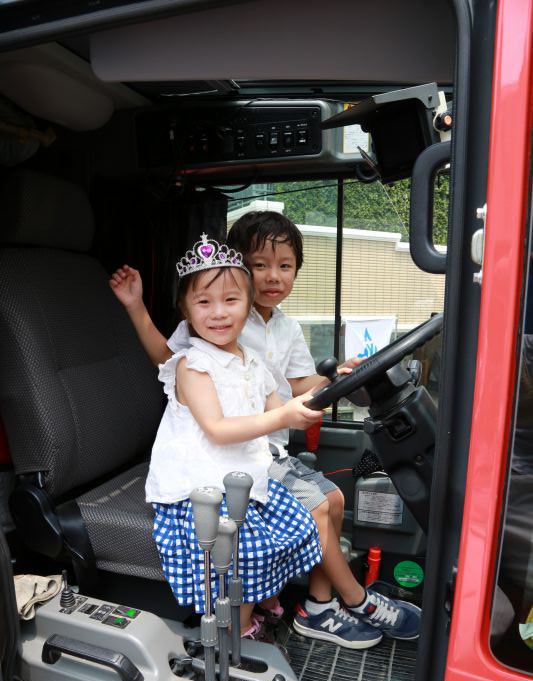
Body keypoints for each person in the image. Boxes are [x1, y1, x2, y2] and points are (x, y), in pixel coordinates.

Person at [112, 213, 421, 646]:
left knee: (332, 498)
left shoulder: (273, 338)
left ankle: (316, 603)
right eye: (260, 265)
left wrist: (337, 382)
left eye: (285, 265)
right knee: (308, 512)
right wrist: (136, 308)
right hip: (221, 461)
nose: (272, 277)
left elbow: (290, 391)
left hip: (260, 451)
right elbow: (184, 378)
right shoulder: (201, 350)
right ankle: (347, 601)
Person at [145, 234, 323, 640]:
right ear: (186, 312)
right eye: (204, 303)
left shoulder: (251, 359)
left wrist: (319, 397)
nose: (219, 313)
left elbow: (277, 407)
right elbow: (219, 430)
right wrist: (284, 413)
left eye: (231, 300)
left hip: (241, 472)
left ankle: (261, 602)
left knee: (299, 525)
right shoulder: (192, 364)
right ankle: (238, 631)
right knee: (245, 551)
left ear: (249, 304)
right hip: (199, 484)